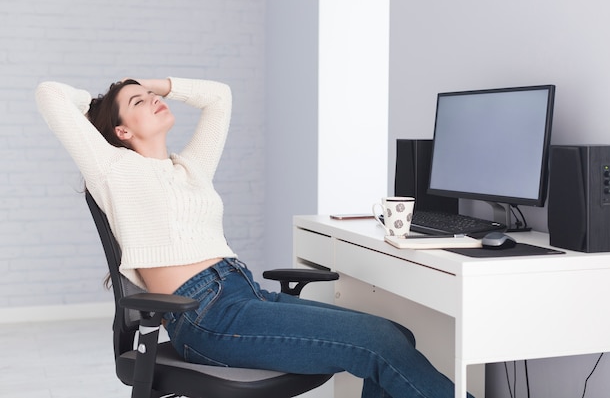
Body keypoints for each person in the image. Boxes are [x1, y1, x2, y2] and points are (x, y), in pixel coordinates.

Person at [35, 77, 472, 398]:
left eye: (152, 96)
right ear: (121, 132)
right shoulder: (112, 170)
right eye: (138, 101)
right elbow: (50, 94)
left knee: (395, 333)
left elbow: (220, 97)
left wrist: (159, 84)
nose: (152, 100)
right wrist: (101, 100)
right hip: (204, 315)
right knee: (378, 345)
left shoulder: (189, 169)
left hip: (244, 294)